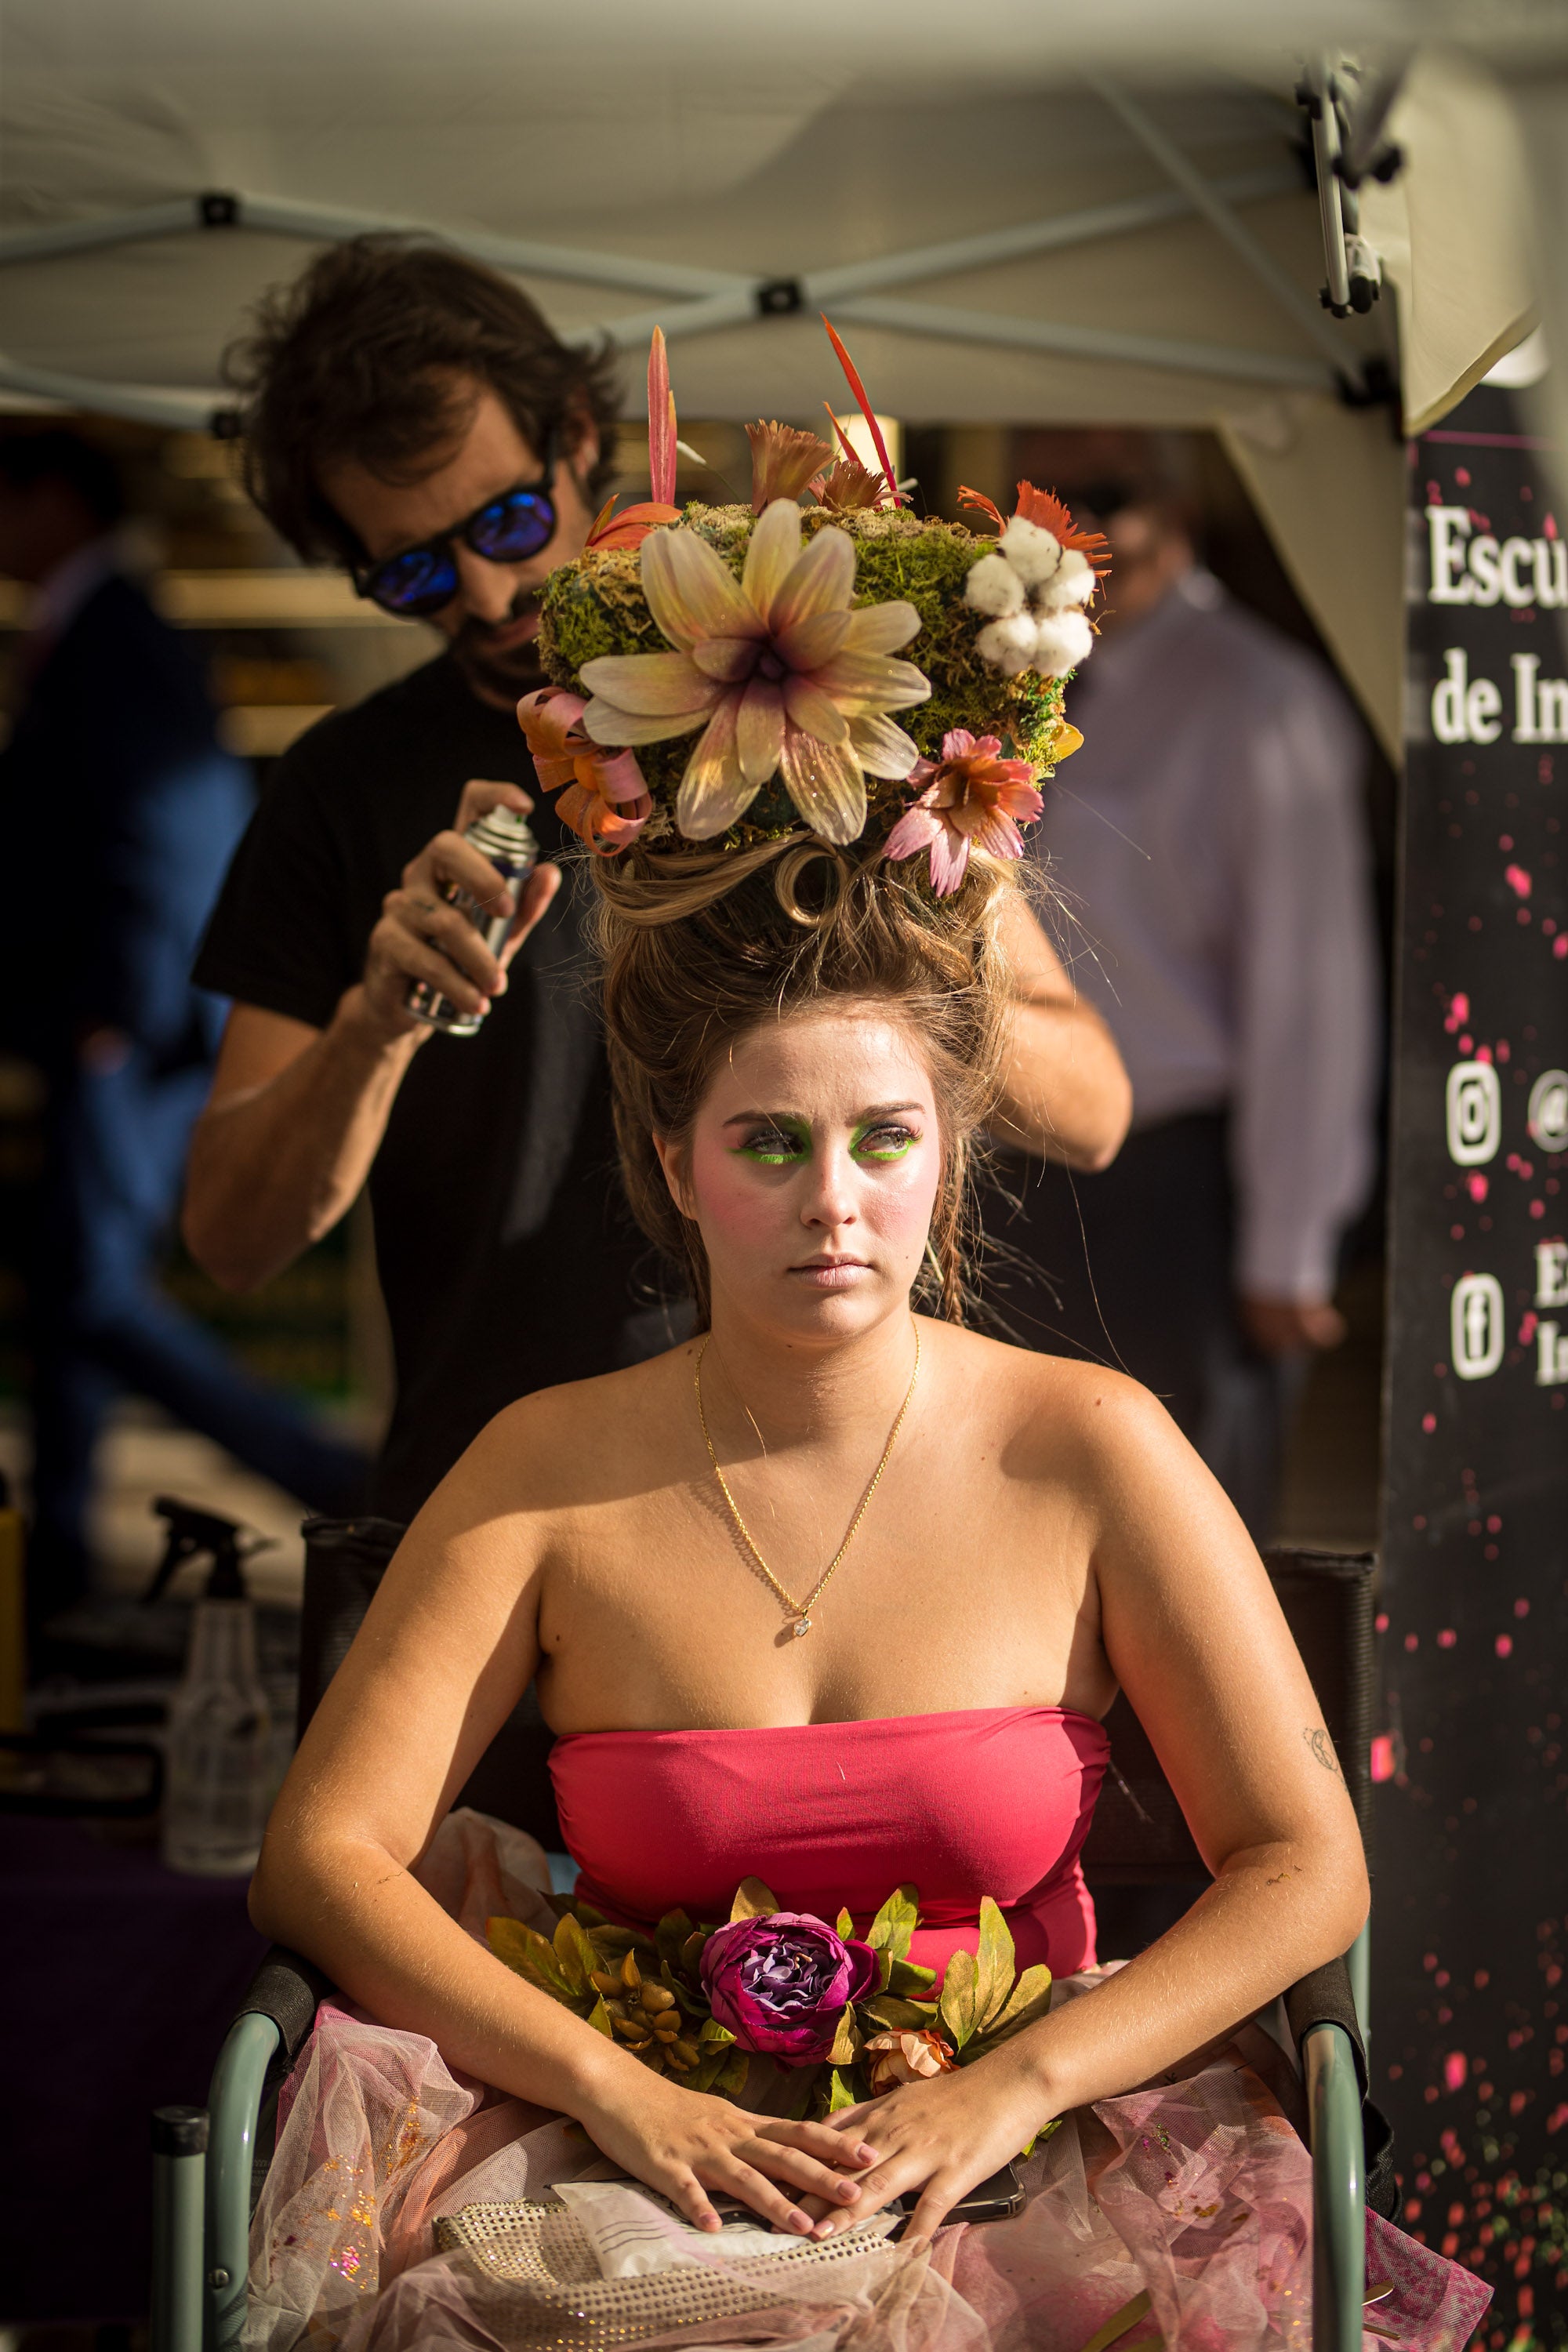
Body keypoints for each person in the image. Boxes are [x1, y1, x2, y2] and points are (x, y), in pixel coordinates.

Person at [246, 833, 1483, 2347]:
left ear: (948, 1154)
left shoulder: (1091, 1444)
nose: (835, 1199)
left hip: (1022, 2170)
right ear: (670, 1166)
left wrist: (1014, 2083)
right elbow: (322, 1852)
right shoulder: (542, 1469)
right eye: (769, 1143)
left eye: (885, 1140)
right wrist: (614, 2089)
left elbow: (1310, 1863)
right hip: (640, 2176)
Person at [183, 238, 1131, 1531]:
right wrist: (375, 1023)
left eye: (507, 521)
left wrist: (871, 883)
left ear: (578, 436)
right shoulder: (340, 787)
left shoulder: (799, 677)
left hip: (826, 1498)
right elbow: (231, 1241)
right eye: (410, 571)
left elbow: (1090, 1110)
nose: (487, 589)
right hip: (496, 1513)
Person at [0, 430, 366, 1642]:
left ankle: (331, 1481)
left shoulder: (120, 632)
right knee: (71, 1287)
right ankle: (54, 1550)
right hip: (111, 1019)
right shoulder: (103, 625)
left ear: (55, 501)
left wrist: (130, 1013)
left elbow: (174, 831)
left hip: (131, 1028)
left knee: (92, 1289)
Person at [1000, 488, 1380, 1541]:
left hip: (1173, 1193)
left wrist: (1291, 1247)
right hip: (1008, 1166)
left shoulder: (1259, 696)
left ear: (1175, 504)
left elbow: (1310, 987)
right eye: (1042, 490)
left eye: (1104, 495)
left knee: (1178, 1549)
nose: (1067, 524)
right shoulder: (1008, 665)